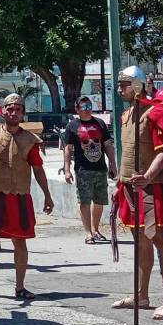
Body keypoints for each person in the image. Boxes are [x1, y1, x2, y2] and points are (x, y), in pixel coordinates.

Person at [111, 69, 163, 319]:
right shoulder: (126, 115)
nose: (119, 89)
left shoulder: (155, 113)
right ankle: (141, 295)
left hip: (152, 188)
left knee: (160, 241)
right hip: (129, 188)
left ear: (136, 86)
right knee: (141, 243)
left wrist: (147, 175)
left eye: (124, 85)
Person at [0, 93, 54, 300]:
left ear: (23, 113)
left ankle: (20, 286)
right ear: (3, 111)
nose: (14, 113)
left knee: (20, 242)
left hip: (19, 197)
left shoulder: (29, 140)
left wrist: (47, 195)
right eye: (10, 109)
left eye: (18, 109)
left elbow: (38, 169)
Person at [63, 96, 117, 244]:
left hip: (100, 168)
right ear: (77, 109)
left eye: (89, 106)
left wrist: (113, 164)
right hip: (82, 169)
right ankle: (88, 233)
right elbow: (68, 149)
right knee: (84, 201)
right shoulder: (72, 126)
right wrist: (67, 170)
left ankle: (95, 229)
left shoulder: (99, 123)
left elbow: (107, 145)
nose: (87, 109)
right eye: (84, 107)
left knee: (99, 201)